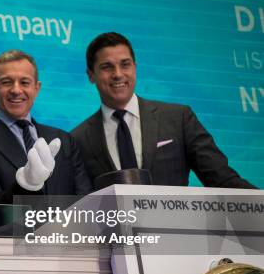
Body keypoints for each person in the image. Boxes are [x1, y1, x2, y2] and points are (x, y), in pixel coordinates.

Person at [71, 32, 256, 189]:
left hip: (176, 231)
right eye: (107, 67)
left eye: (125, 64)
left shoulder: (178, 118)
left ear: (135, 68)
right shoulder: (77, 140)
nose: (118, 73)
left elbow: (222, 179)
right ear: (91, 75)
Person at [0, 50, 92, 195]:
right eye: (6, 82)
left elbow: (85, 200)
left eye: (24, 82)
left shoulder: (65, 140)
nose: (16, 90)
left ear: (37, 88)